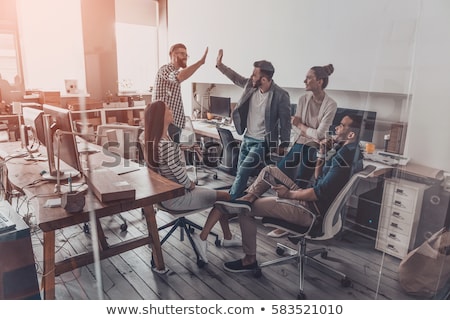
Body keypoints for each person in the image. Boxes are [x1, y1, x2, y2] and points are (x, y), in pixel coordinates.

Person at [216, 113, 363, 272]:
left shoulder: (344, 159)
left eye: (342, 125)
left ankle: (249, 259)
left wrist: (289, 194)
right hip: (311, 201)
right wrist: (322, 153)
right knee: (270, 170)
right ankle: (248, 197)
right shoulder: (349, 152)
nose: (337, 127)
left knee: (245, 210)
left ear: (351, 134)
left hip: (311, 211)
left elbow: (317, 193)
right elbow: (318, 178)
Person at [141, 101, 241, 264]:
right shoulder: (165, 144)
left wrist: (182, 148)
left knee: (219, 196)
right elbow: (178, 173)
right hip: (178, 196)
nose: (171, 110)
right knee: (225, 197)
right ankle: (203, 238)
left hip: (165, 197)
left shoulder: (157, 140)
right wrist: (190, 185)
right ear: (161, 117)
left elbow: (168, 158)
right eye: (167, 109)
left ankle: (228, 237)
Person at [268, 64, 338, 238]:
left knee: (300, 178)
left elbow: (319, 134)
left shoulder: (331, 104)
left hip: (314, 147)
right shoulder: (303, 99)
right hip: (300, 142)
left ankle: (291, 221)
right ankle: (281, 214)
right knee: (280, 173)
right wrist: (305, 129)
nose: (304, 80)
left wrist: (301, 125)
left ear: (320, 81)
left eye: (308, 78)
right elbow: (300, 129)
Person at [215, 49, 291, 200]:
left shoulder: (280, 95)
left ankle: (231, 204)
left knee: (243, 171)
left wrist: (284, 144)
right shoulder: (251, 85)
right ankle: (242, 201)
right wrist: (220, 65)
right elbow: (235, 78)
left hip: (262, 142)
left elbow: (285, 122)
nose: (251, 77)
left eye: (254, 74)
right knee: (240, 172)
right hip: (247, 137)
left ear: (263, 79)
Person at [153, 43, 208, 141]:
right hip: (166, 126)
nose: (185, 57)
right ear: (173, 55)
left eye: (186, 55)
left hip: (174, 125)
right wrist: (200, 62)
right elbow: (179, 77)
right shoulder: (165, 69)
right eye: (182, 54)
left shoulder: (174, 72)